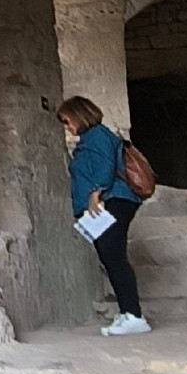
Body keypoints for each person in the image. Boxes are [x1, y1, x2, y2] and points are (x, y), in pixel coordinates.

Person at [57, 96, 150, 337]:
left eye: (67, 121)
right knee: (109, 256)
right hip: (109, 201)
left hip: (113, 200)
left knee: (113, 256)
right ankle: (127, 312)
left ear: (79, 115)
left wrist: (95, 193)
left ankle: (134, 316)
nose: (67, 127)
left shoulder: (97, 135)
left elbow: (105, 166)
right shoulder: (90, 138)